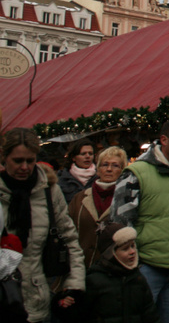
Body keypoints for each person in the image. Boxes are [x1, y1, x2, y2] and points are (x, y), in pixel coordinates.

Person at [110, 119, 169, 323]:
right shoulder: (136, 174)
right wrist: (135, 262)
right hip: (147, 267)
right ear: (164, 140)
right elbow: (120, 223)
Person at [0, 128, 86, 322]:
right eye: (18, 160)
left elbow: (70, 237)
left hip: (37, 300)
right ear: (4, 158)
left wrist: (74, 285)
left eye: (30, 161)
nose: (24, 167)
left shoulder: (49, 190)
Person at [83, 222, 160, 323]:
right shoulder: (94, 281)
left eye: (133, 246)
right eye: (125, 249)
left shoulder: (138, 279)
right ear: (111, 254)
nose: (132, 251)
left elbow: (150, 316)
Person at [69, 146, 128, 268]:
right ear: (98, 169)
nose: (109, 169)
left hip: (113, 268)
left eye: (115, 165)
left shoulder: (127, 199)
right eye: (104, 165)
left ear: (122, 170)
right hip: (81, 266)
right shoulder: (80, 198)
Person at [58, 139, 97, 203]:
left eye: (90, 153)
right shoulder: (62, 179)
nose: (87, 156)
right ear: (73, 157)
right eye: (83, 154)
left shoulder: (100, 176)